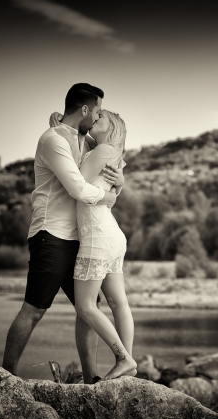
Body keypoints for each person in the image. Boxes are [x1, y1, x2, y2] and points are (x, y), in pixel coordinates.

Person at [2, 83, 124, 383]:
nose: (97, 118)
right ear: (84, 109)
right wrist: (109, 199)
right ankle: (4, 377)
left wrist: (119, 182)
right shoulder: (52, 140)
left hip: (78, 239)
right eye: (95, 112)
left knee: (88, 309)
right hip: (51, 235)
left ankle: (91, 377)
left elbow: (108, 163)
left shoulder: (83, 142)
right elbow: (78, 188)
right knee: (34, 308)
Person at [52, 109, 136, 380]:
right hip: (111, 235)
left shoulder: (101, 151)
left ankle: (124, 359)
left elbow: (77, 183)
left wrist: (62, 135)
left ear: (113, 127)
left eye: (101, 118)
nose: (95, 118)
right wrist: (67, 129)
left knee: (86, 305)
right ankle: (128, 366)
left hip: (97, 236)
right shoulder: (110, 152)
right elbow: (92, 159)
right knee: (118, 302)